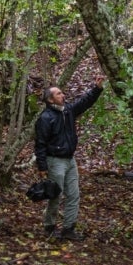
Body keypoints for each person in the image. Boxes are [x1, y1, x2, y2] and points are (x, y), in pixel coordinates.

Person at [34, 75, 105, 241]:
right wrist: (42, 167)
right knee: (55, 195)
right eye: (59, 94)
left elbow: (84, 103)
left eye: (62, 93)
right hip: (55, 161)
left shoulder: (68, 111)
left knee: (73, 194)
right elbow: (40, 144)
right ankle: (49, 227)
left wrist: (97, 88)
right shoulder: (45, 118)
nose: (63, 95)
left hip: (70, 160)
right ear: (51, 100)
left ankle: (68, 229)